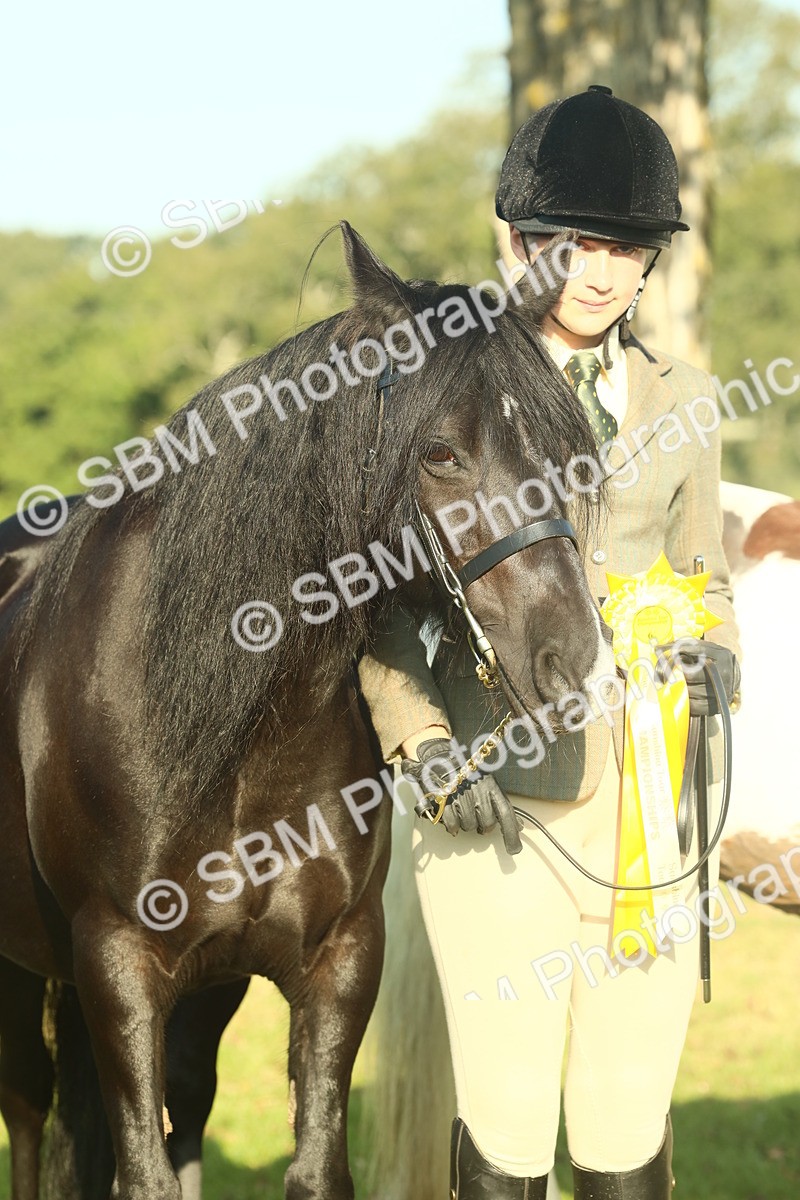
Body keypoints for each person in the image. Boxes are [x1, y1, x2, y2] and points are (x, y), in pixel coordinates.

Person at [358, 85, 740, 1199]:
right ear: (514, 240)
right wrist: (420, 743)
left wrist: (712, 654)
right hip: (492, 806)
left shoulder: (688, 400)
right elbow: (378, 604)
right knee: (510, 1122)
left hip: (653, 815)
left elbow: (704, 582)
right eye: (573, 241)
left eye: (625, 247)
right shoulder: (449, 393)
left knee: (624, 1127)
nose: (600, 270)